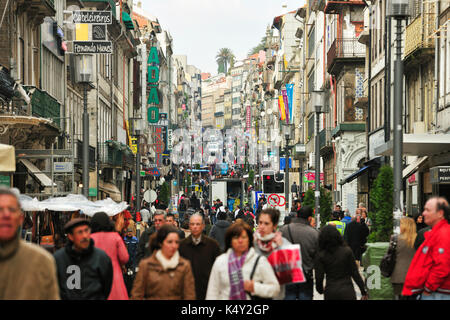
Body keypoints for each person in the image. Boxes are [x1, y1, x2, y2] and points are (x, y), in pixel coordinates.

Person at [0, 188, 60, 299]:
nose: (6, 215)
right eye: (0, 209)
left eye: (12, 210)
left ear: (20, 218)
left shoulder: (41, 262)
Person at [206, 221, 280, 300]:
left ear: (249, 240)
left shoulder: (259, 261)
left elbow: (275, 289)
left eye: (244, 237)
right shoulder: (220, 261)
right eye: (236, 238)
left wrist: (254, 287)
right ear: (230, 241)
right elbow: (212, 292)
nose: (240, 241)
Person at [131, 224, 196, 300]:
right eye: (169, 242)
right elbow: (137, 294)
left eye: (176, 242)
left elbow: (189, 295)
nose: (174, 246)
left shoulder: (184, 265)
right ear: (161, 243)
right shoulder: (146, 265)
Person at [403, 197, 450, 300]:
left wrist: (428, 288)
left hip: (438, 293)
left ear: (440, 213)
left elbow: (442, 267)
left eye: (428, 210)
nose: (423, 213)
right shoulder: (435, 233)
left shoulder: (443, 234)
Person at [54, 218, 113, 300]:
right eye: (80, 232)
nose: (85, 236)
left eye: (86, 231)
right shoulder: (59, 258)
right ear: (71, 236)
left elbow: (106, 286)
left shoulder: (101, 257)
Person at [314, 225, 368, 300]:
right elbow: (355, 273)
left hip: (331, 291)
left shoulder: (321, 255)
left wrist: (320, 289)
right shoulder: (347, 251)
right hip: (347, 291)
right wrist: (363, 291)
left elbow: (319, 276)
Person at [280, 205, 319, 300]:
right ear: (309, 218)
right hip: (305, 275)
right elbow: (318, 259)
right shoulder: (314, 234)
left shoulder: (284, 230)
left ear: (297, 215)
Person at [179, 214, 221, 300]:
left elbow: (218, 269)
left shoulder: (212, 245)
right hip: (186, 292)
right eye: (192, 224)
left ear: (203, 226)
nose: (195, 227)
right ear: (189, 226)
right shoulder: (182, 246)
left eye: (198, 224)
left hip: (208, 291)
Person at [254, 208, 292, 299]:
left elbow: (291, 274)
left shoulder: (283, 243)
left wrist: (280, 247)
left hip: (276, 296)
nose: (262, 226)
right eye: (260, 222)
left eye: (266, 223)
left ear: (274, 226)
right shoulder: (251, 242)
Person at [89, 212, 129, 300]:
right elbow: (124, 258)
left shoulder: (89, 239)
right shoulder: (115, 237)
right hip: (114, 275)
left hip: (94, 276)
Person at [389, 217, 417, 300]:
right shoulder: (418, 239)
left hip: (398, 275)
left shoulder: (395, 239)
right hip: (414, 275)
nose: (400, 226)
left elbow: (390, 255)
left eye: (401, 224)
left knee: (399, 297)